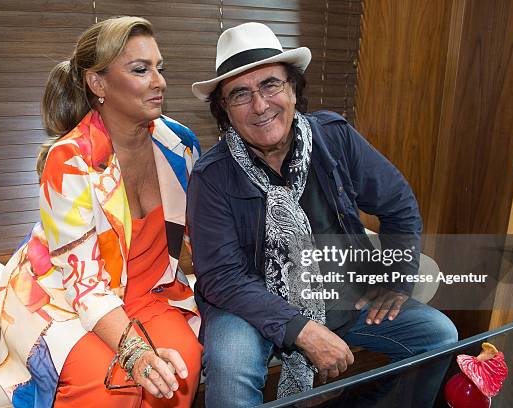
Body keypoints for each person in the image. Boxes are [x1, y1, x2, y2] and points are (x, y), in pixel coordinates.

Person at [187, 22, 458, 407]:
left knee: (438, 336)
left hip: (343, 293)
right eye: (240, 94)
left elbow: (398, 204)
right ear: (225, 111)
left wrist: (396, 281)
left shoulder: (334, 137)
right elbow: (222, 277)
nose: (260, 106)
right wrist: (301, 329)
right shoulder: (211, 176)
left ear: (293, 89)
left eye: (270, 85)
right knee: (230, 370)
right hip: (247, 304)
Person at [0, 16, 202, 408]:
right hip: (65, 295)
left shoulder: (181, 145)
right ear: (98, 83)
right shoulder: (69, 161)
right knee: (107, 383)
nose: (159, 81)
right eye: (141, 70)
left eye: (160, 67)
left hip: (149, 293)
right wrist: (137, 354)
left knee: (182, 367)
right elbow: (84, 285)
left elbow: (200, 234)